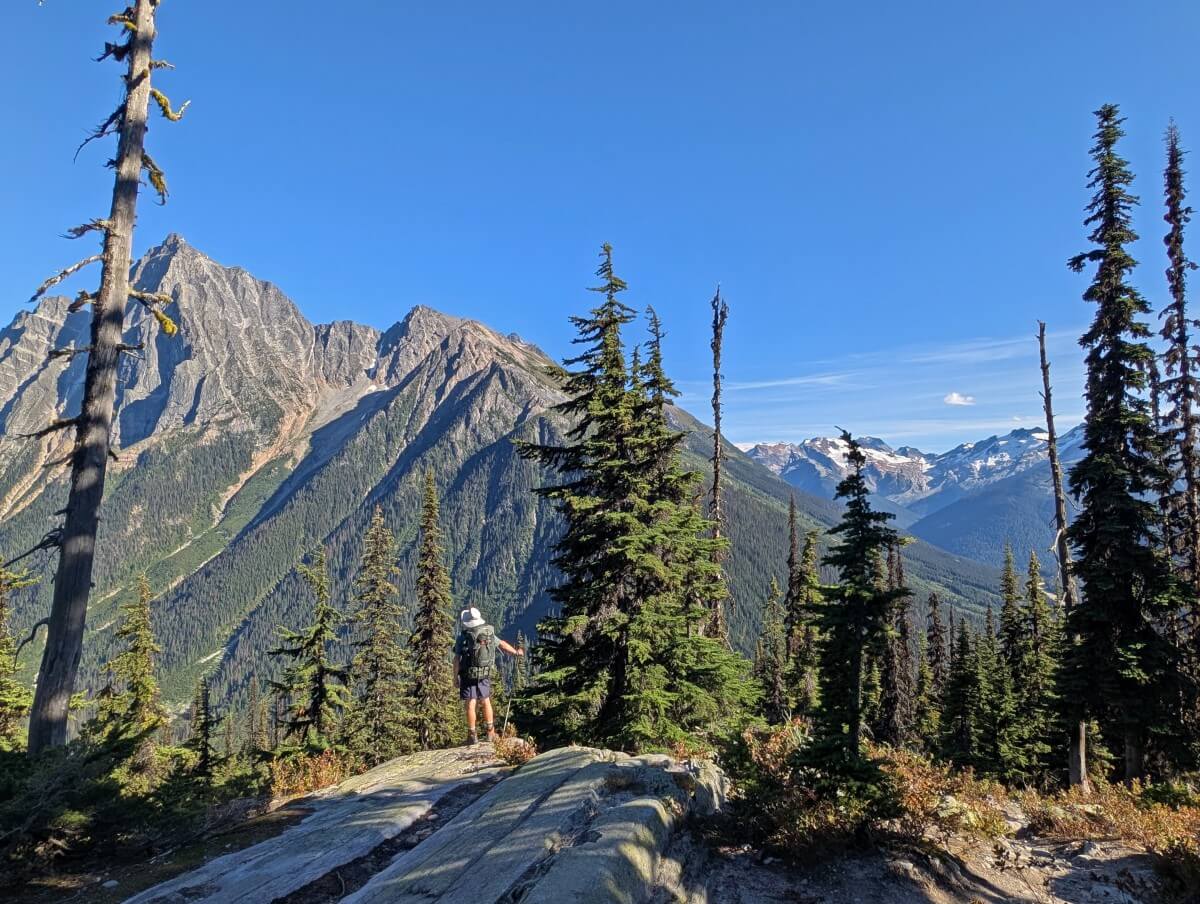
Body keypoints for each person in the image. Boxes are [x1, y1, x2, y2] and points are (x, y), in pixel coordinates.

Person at [453, 607, 524, 744]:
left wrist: (455, 677)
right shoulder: (488, 633)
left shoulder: (463, 637)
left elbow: (456, 659)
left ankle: (472, 736)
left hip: (468, 674)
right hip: (484, 672)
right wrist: (516, 652)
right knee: (486, 700)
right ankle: (491, 733)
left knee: (471, 703)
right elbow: (502, 644)